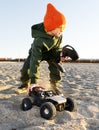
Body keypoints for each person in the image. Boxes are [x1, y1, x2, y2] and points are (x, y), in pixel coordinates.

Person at [18, 3, 67, 94]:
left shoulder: (59, 35)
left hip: (51, 53)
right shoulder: (39, 40)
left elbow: (58, 47)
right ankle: (25, 85)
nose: (62, 30)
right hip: (36, 53)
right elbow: (35, 60)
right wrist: (34, 82)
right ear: (51, 27)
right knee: (25, 70)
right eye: (60, 27)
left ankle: (54, 86)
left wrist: (60, 54)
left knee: (56, 65)